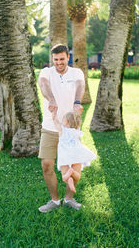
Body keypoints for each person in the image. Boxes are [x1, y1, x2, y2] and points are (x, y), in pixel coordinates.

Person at [38, 44, 85, 213]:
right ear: (53, 59)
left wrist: (77, 102)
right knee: (46, 164)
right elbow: (43, 84)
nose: (59, 63)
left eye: (62, 59)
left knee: (74, 166)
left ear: (68, 58)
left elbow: (80, 86)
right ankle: (55, 201)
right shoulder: (46, 72)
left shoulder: (76, 73)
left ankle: (69, 199)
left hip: (71, 129)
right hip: (50, 127)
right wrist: (51, 99)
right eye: (56, 59)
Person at [52, 110, 96, 194]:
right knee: (78, 177)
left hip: (65, 155)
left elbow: (55, 121)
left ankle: (68, 177)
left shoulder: (62, 130)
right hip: (77, 154)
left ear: (67, 122)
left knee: (64, 176)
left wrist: (54, 115)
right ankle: (71, 174)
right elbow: (76, 121)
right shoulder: (77, 130)